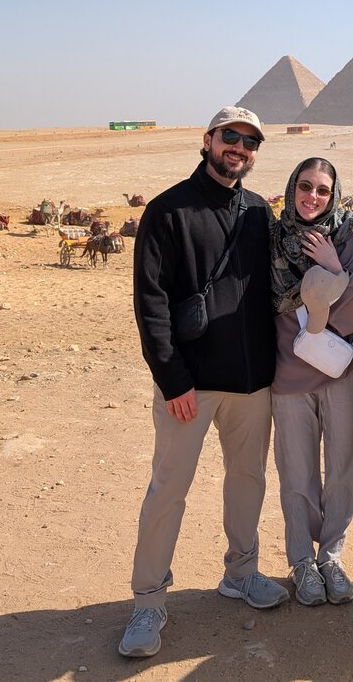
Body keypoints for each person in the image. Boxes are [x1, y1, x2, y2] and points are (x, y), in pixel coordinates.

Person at [120, 107, 285, 659]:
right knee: (168, 491)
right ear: (208, 139)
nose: (239, 148)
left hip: (252, 383)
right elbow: (151, 304)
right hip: (190, 387)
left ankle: (241, 573)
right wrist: (173, 381)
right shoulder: (168, 210)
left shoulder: (259, 211)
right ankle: (148, 601)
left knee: (248, 481)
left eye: (250, 142)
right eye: (230, 137)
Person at [269, 157, 353, 606]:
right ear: (292, 189)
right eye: (305, 186)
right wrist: (334, 282)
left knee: (345, 466)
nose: (312, 196)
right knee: (296, 471)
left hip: (341, 371)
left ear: (334, 194)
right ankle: (302, 561)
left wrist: (333, 267)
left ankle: (331, 556)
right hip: (288, 374)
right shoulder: (272, 241)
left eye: (323, 190)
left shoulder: (348, 240)